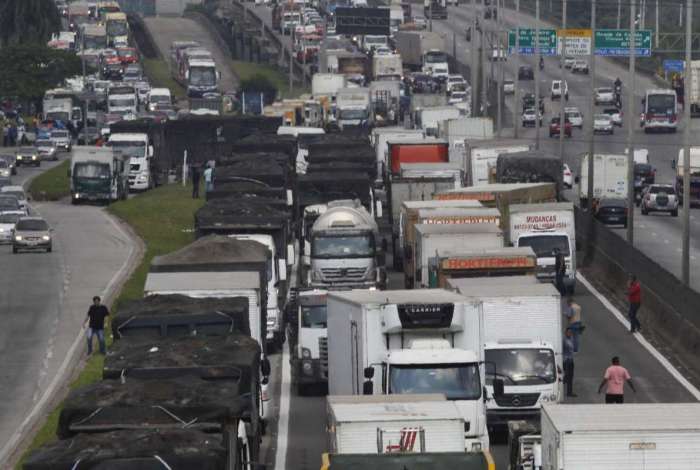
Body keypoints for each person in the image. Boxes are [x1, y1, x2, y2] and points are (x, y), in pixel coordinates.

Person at [563, 328, 576, 397]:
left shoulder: (572, 338)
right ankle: (561, 383)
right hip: (566, 361)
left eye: (571, 332)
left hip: (571, 360)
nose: (570, 333)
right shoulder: (563, 340)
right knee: (567, 376)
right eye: (568, 332)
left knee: (570, 377)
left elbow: (573, 348)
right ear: (565, 332)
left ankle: (569, 392)